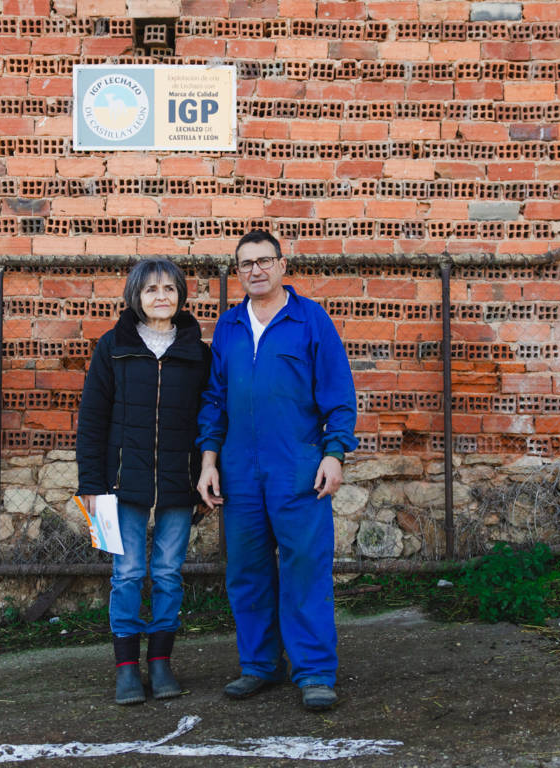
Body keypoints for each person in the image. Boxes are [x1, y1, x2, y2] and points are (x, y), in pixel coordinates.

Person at [196, 230, 357, 711]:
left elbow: (339, 395)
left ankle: (313, 671)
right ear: (238, 271)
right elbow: (214, 400)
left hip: (298, 467)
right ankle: (259, 666)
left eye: (264, 260)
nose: (256, 270)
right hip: (240, 471)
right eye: (246, 264)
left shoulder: (310, 320)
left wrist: (335, 454)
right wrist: (209, 461)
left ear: (282, 265)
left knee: (305, 568)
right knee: (247, 572)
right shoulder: (228, 326)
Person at [76, 258, 211, 705]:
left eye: (170, 288)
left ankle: (161, 662)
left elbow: (209, 417)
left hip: (179, 481)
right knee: (128, 573)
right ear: (135, 295)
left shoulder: (197, 352)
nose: (161, 296)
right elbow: (92, 421)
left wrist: (207, 477)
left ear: (181, 296)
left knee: (169, 574)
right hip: (119, 483)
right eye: (151, 289)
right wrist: (90, 485)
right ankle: (127, 669)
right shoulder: (112, 347)